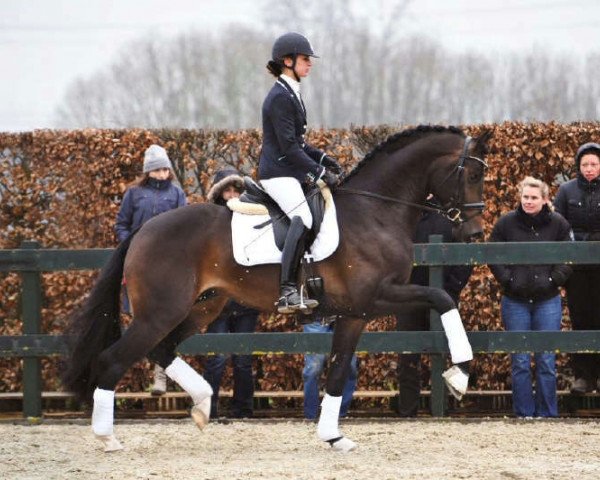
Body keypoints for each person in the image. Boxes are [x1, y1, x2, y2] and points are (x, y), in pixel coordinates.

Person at [258, 32, 342, 314]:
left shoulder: (291, 92)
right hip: (277, 173)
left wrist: (326, 159)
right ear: (288, 61)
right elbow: (290, 149)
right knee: (302, 217)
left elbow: (301, 143)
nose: (310, 64)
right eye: (306, 59)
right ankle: (287, 291)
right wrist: (319, 172)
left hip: (287, 170)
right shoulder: (280, 97)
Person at [490, 176, 572, 418]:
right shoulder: (506, 223)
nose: (528, 201)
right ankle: (524, 414)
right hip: (515, 300)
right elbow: (493, 254)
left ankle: (547, 413)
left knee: (546, 359)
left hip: (548, 300)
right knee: (520, 361)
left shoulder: (559, 224)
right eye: (525, 197)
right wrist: (508, 280)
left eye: (534, 197)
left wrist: (552, 280)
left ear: (545, 199)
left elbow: (568, 258)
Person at [114, 144, 186, 395]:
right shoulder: (133, 194)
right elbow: (121, 225)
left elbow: (185, 228)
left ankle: (160, 375)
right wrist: (132, 245)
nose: (163, 173)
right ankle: (143, 370)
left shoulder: (176, 194)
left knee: (165, 320)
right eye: (158, 169)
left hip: (168, 266)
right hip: (139, 265)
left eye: (166, 168)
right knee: (142, 321)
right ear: (148, 171)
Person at [395, 203, 474, 417]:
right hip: (408, 297)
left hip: (442, 298)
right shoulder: (401, 216)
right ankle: (407, 411)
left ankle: (441, 408)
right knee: (407, 356)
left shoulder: (449, 217)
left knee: (442, 351)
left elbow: (465, 256)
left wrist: (450, 290)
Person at [203, 168, 260, 418]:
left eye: (237, 190)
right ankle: (209, 408)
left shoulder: (253, 221)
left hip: (246, 301)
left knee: (243, 360)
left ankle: (243, 410)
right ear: (219, 193)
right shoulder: (208, 225)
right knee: (216, 358)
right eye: (227, 190)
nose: (232, 195)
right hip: (217, 302)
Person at [554, 142, 600, 394]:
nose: (590, 169)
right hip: (578, 269)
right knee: (581, 319)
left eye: (594, 164)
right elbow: (559, 225)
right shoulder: (566, 191)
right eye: (585, 164)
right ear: (578, 166)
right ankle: (584, 377)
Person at [303, 316, 358, 420]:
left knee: (350, 368)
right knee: (313, 370)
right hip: (316, 318)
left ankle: (340, 414)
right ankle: (311, 416)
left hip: (345, 318)